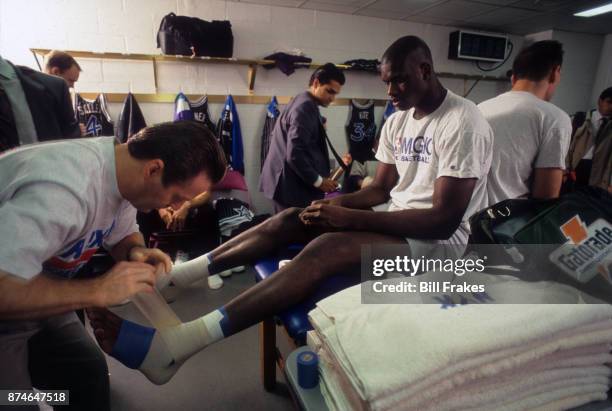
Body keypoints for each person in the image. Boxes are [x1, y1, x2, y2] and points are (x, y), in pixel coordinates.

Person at [87, 35, 492, 385]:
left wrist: (346, 217)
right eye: (387, 83)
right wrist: (324, 206)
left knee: (326, 247)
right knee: (288, 218)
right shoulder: (398, 121)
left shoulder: (462, 121)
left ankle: (181, 343)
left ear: (425, 69)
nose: (390, 93)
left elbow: (443, 221)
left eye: (398, 81)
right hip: (397, 221)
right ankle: (178, 277)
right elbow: (380, 190)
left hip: (438, 247)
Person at [0, 121, 226, 410]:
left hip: (38, 290)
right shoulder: (66, 190)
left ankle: (50, 399)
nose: (173, 207)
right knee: (13, 402)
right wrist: (95, 290)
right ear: (154, 169)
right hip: (8, 298)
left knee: (87, 372)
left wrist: (136, 251)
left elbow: (121, 232)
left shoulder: (123, 174)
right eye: (176, 198)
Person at [478, 40, 571, 204]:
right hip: (507, 224)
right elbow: (546, 196)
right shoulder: (554, 118)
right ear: (555, 72)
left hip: (464, 220)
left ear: (513, 77)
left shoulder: (479, 108)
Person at [259, 63, 345, 212]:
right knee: (292, 233)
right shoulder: (305, 107)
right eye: (330, 91)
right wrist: (319, 181)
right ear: (316, 83)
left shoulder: (303, 101)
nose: (332, 98)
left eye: (336, 94)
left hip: (288, 184)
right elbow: (295, 153)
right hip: (290, 188)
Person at [0, 54, 80, 152]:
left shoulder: (55, 88)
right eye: (71, 80)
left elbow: (71, 141)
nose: (72, 86)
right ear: (55, 71)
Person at [566, 86, 611, 191]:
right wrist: (566, 169)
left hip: (597, 172)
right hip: (576, 166)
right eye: (609, 102)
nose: (611, 107)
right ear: (600, 101)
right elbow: (567, 143)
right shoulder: (580, 118)